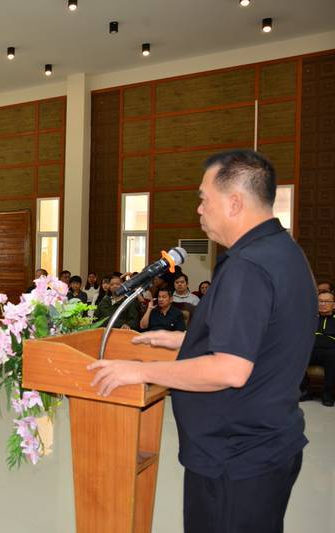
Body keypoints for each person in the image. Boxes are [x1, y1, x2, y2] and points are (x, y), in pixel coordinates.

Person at [89, 150, 316, 533]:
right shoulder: (284, 251)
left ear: (234, 202)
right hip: (267, 447)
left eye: (203, 198)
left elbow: (229, 369)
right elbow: (263, 340)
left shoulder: (247, 266)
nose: (198, 209)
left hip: (235, 457)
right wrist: (185, 340)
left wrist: (139, 371)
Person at [300, 291, 335, 406]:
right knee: (296, 355)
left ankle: (327, 394)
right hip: (310, 350)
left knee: (332, 356)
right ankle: (305, 390)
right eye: (320, 301)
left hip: (331, 351)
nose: (323, 304)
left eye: (327, 301)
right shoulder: (308, 318)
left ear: (334, 305)